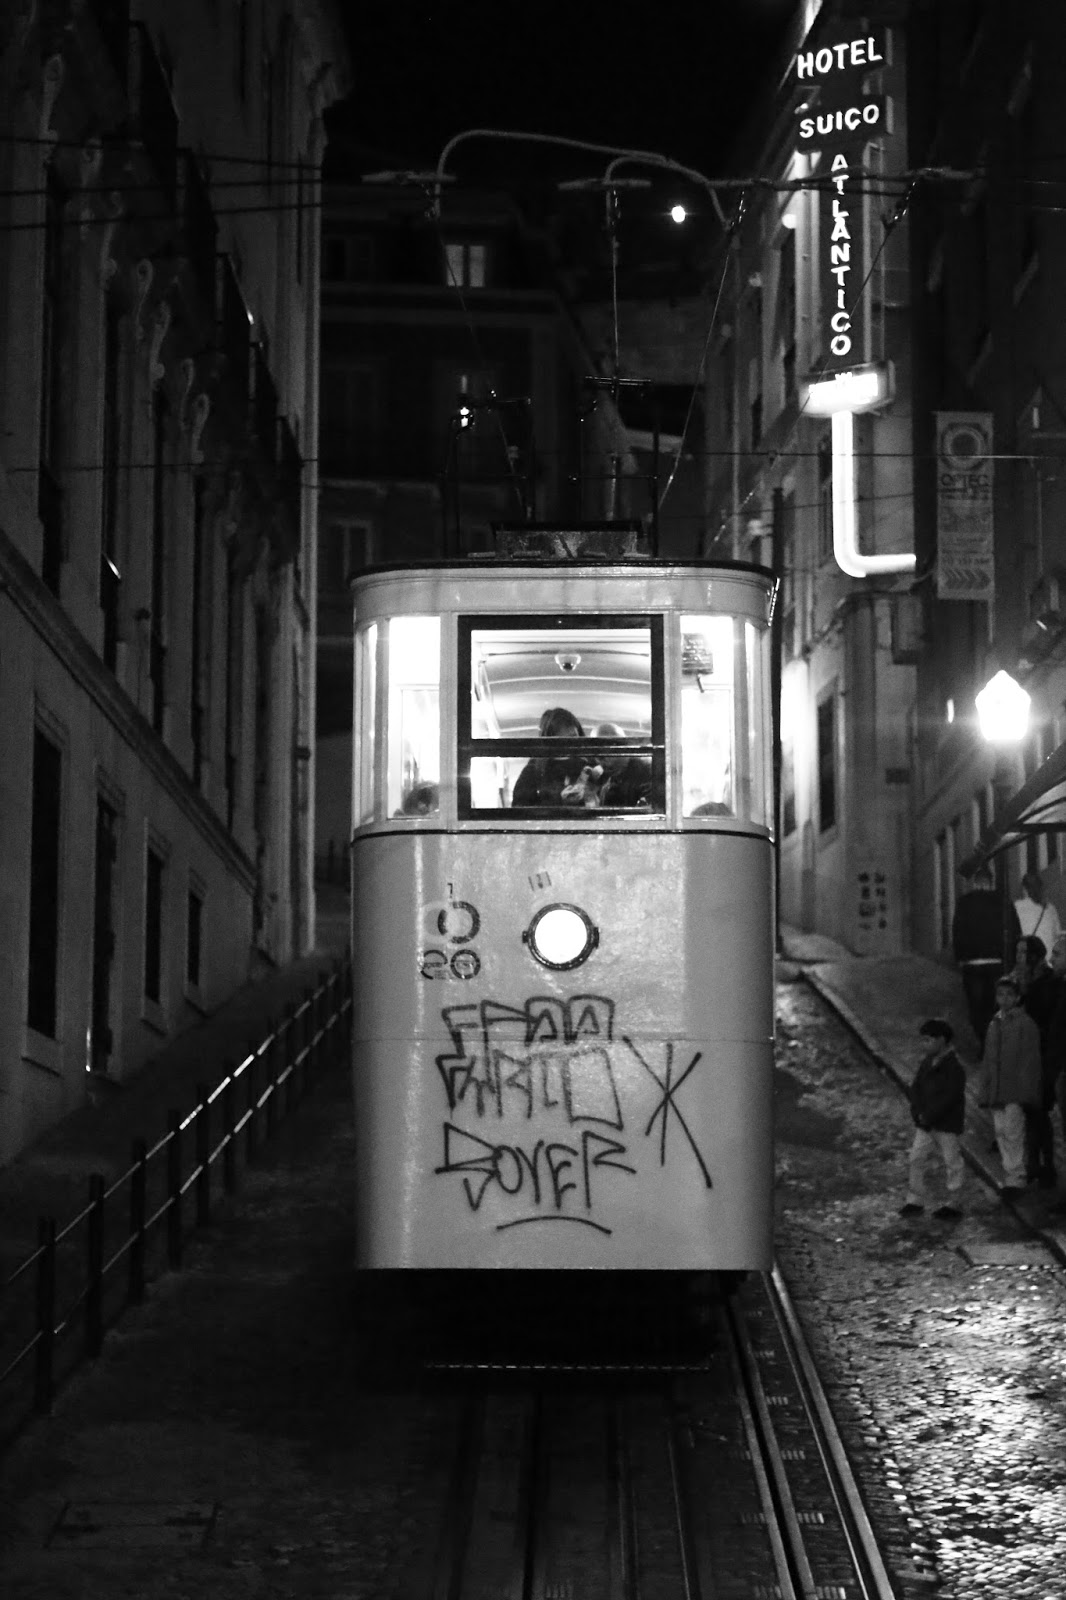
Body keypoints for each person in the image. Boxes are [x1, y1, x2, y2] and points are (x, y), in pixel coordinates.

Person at [980, 973, 1043, 1198]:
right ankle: (1010, 1175)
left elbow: (1030, 1061)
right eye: (1000, 994)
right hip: (997, 1088)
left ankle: (1016, 1177)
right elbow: (988, 1060)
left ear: (1017, 997)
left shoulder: (1025, 1024)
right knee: (1001, 1131)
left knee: (1013, 1132)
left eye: (1009, 995)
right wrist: (986, 1088)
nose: (1004, 999)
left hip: (1015, 1089)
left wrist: (1026, 1091)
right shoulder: (994, 1024)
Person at [898, 1019, 968, 1220]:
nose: (924, 1044)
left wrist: (927, 1115)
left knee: (952, 1162)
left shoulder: (954, 1068)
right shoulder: (928, 1062)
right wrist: (918, 1111)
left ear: (942, 1040)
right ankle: (915, 1200)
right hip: (927, 1122)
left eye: (928, 1040)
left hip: (946, 1124)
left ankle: (954, 1202)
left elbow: (950, 1097)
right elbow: (916, 1088)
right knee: (916, 1158)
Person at [951, 863, 1020, 1055]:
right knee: (995, 1006)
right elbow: (1014, 930)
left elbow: (957, 931)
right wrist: (1011, 961)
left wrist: (960, 958)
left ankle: (984, 1043)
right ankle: (996, 1045)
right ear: (991, 882)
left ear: (975, 883)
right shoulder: (1003, 901)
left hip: (972, 964)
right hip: (997, 963)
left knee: (976, 1008)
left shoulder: (964, 902)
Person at [512, 707, 587, 807]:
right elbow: (520, 807)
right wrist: (558, 801)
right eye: (563, 741)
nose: (570, 746)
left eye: (573, 738)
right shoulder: (535, 769)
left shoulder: (587, 764)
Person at [590, 722, 653, 809]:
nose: (600, 760)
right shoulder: (606, 781)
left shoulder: (647, 772)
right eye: (596, 753)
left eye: (604, 752)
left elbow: (649, 812)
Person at [1013, 871, 1063, 948]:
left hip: (1033, 953)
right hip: (1045, 953)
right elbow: (1057, 936)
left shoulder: (1016, 906)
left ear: (1024, 889)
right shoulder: (1050, 908)